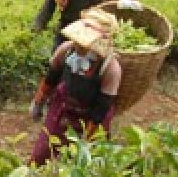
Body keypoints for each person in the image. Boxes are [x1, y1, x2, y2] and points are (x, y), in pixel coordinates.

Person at [29, 9, 122, 165]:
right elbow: (51, 77)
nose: (79, 44)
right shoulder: (66, 50)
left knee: (86, 162)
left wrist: (87, 138)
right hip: (64, 107)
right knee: (44, 151)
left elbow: (102, 107)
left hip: (92, 115)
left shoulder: (110, 68)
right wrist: (38, 102)